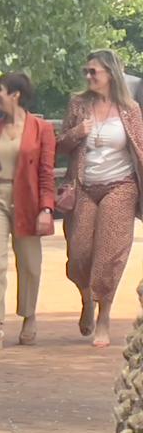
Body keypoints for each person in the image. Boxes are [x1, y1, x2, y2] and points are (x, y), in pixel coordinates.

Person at [57, 49, 143, 347]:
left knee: (109, 254)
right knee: (79, 255)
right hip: (84, 186)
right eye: (87, 71)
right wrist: (77, 132)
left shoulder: (130, 109)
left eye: (94, 71)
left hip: (120, 186)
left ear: (110, 74)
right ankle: (86, 297)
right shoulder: (79, 104)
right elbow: (60, 145)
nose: (89, 76)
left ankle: (104, 316)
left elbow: (140, 149)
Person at [0, 73, 55, 350]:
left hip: (28, 201)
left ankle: (29, 315)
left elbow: (46, 173)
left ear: (16, 95)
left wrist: (46, 208)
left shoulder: (41, 129)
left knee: (30, 264)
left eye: (1, 90)